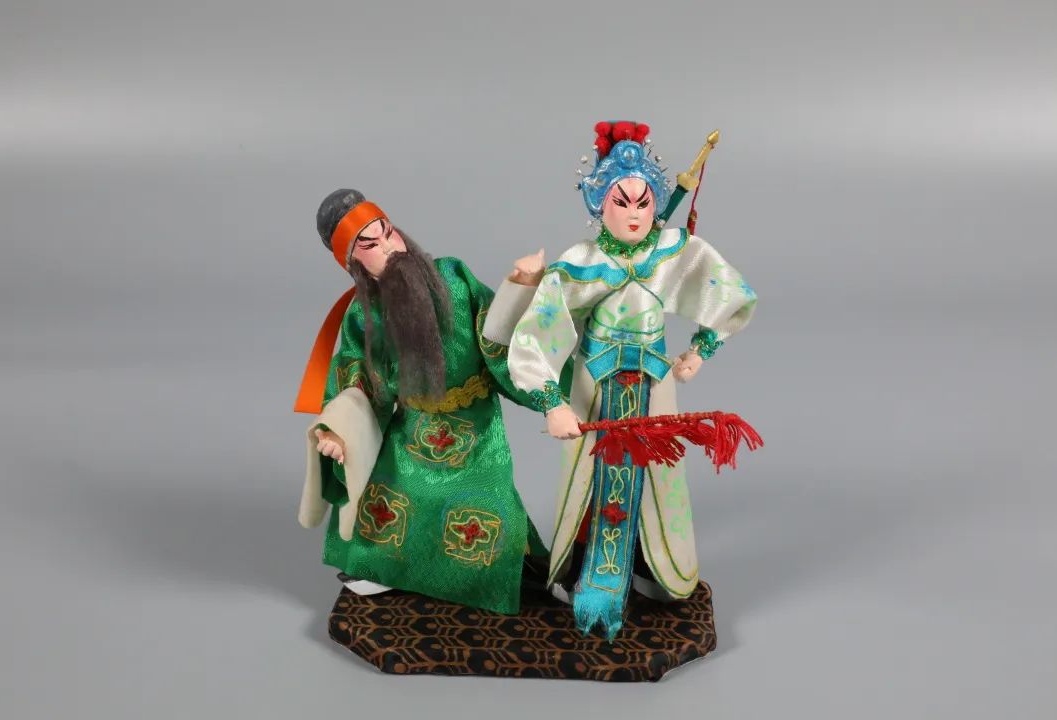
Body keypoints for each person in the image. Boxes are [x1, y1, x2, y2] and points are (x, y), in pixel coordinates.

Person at [497, 122, 758, 639]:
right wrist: (551, 401)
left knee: (658, 472)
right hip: (596, 386)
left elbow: (729, 291)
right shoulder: (581, 264)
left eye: (644, 203)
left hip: (654, 383)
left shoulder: (671, 252)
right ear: (600, 204)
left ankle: (655, 564)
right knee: (590, 477)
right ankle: (581, 570)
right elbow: (536, 333)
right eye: (622, 202)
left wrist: (700, 350)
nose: (635, 214)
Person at [295, 188, 561, 614]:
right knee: (392, 498)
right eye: (370, 244)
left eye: (388, 232)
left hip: (474, 430)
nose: (388, 246)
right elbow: (357, 383)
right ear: (353, 263)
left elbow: (497, 339)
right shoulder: (364, 315)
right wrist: (337, 433)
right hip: (412, 429)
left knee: (489, 510)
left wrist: (521, 288)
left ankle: (514, 576)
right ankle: (383, 568)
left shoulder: (453, 276)